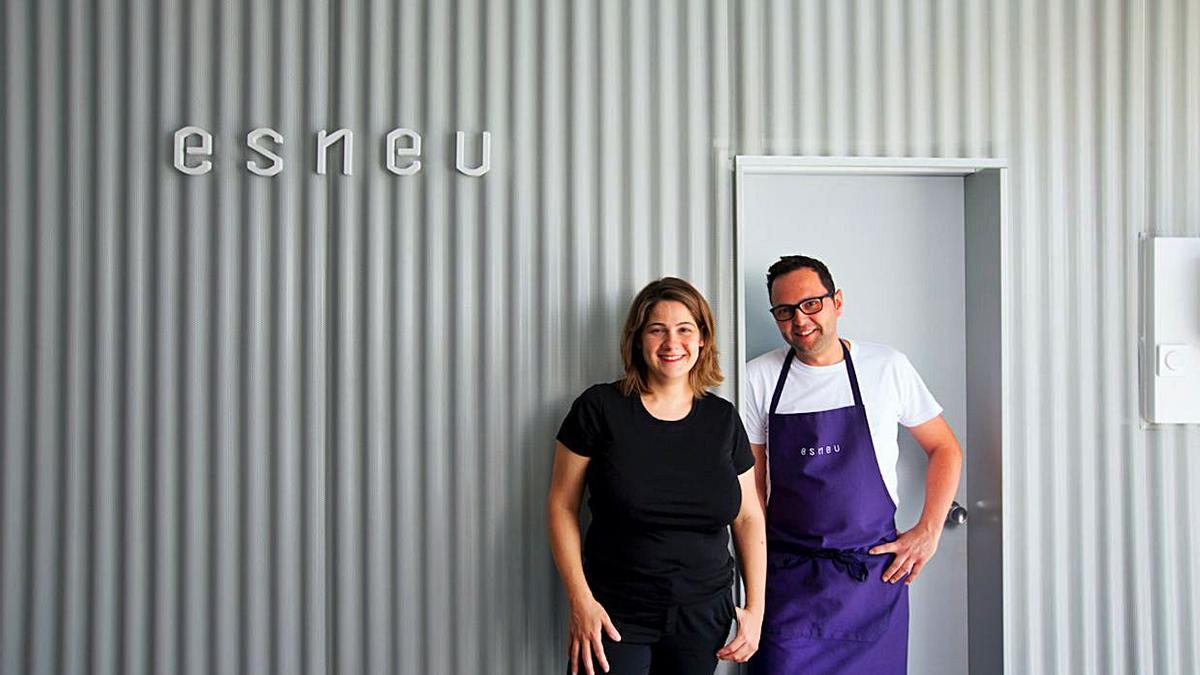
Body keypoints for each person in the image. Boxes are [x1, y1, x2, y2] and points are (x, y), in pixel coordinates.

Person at [743, 256, 963, 675]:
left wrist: (928, 532)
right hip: (790, 583)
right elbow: (751, 490)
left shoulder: (886, 367)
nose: (800, 321)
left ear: (837, 301)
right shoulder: (760, 378)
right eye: (785, 311)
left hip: (874, 583)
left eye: (811, 304)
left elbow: (945, 448)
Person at [547, 277, 767, 675]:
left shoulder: (722, 419)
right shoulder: (599, 408)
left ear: (702, 340)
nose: (672, 343)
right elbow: (562, 506)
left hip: (703, 615)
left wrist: (755, 609)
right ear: (638, 339)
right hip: (614, 613)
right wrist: (580, 600)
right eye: (657, 330)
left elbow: (749, 517)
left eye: (685, 330)